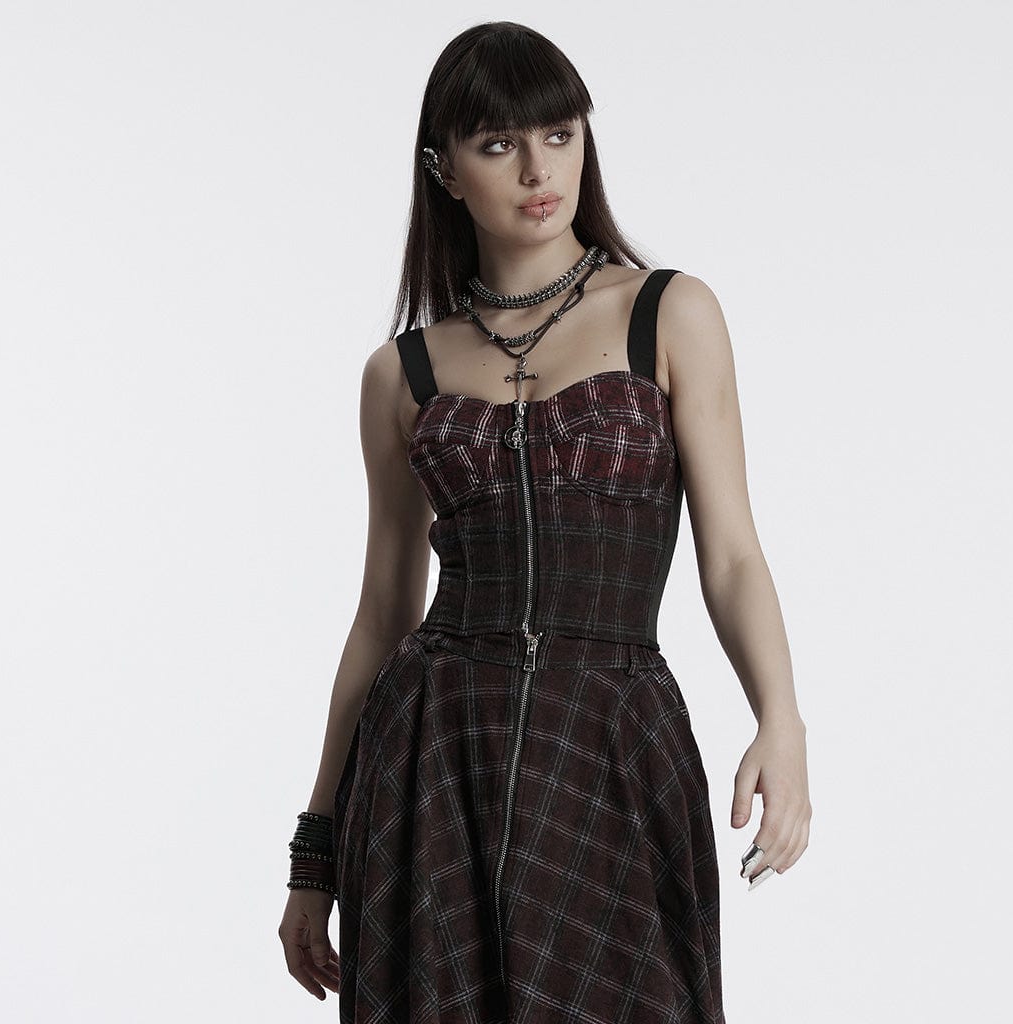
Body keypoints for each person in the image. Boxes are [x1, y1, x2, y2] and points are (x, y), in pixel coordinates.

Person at [278, 20, 810, 1024]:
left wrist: (780, 721)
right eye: (498, 144)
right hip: (431, 758)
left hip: (612, 743)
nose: (538, 169)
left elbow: (734, 556)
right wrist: (316, 851)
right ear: (444, 169)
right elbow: (382, 615)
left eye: (560, 134)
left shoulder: (670, 313)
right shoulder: (401, 372)